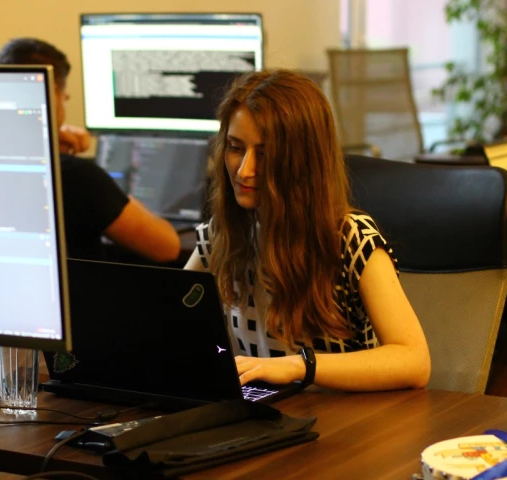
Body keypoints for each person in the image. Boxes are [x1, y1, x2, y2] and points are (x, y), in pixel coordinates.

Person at [185, 70, 431, 391]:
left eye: (264, 154)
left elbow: (414, 361)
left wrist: (298, 366)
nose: (244, 170)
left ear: (300, 162)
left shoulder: (351, 239)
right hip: (265, 413)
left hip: (346, 415)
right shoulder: (222, 235)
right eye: (235, 148)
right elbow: (168, 319)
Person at [0, 38, 180, 262]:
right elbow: (167, 248)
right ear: (52, 94)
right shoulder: (77, 176)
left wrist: (50, 136)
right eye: (65, 98)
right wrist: (117, 196)